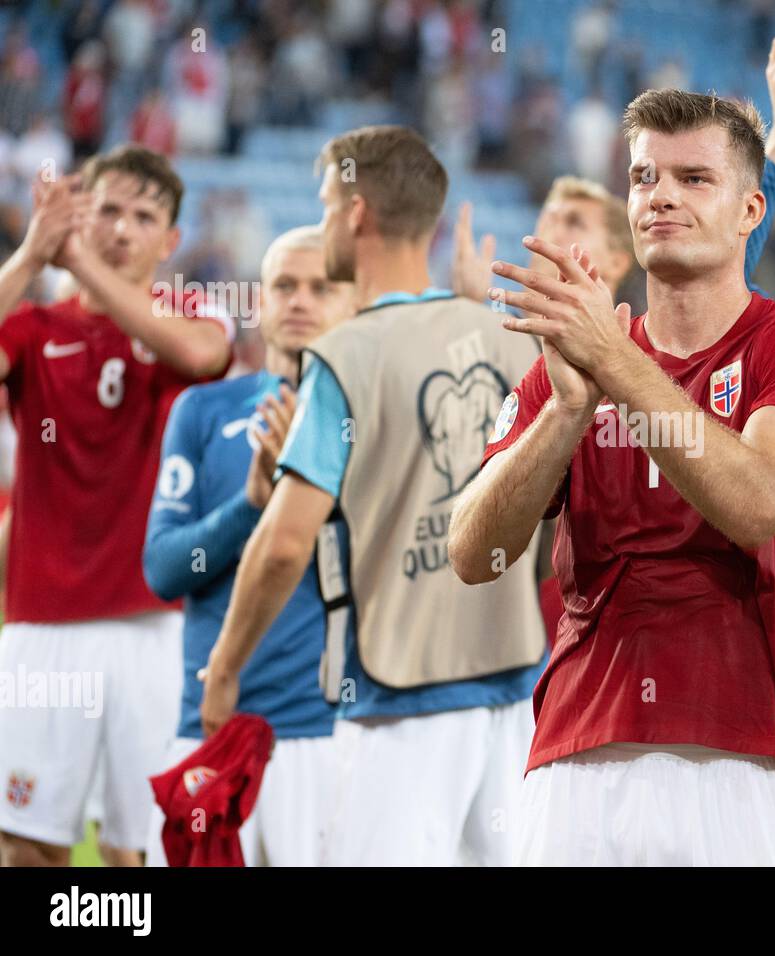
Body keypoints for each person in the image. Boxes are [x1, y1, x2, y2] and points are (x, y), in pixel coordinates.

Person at [448, 86, 775, 866]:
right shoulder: (571, 362)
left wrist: (613, 362)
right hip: (571, 759)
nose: (661, 195)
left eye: (694, 179)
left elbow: (759, 500)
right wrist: (564, 415)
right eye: (644, 178)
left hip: (740, 759)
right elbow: (473, 553)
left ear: (750, 210)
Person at [199, 126, 547, 866]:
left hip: (398, 701)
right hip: (515, 692)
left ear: (356, 212)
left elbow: (286, 541)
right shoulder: (510, 337)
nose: (324, 218)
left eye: (327, 203)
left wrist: (225, 667)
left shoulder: (345, 354)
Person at [0, 145, 232, 867]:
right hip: (42, 626)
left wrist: (78, 260)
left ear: (169, 242)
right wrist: (31, 255)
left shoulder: (194, 312)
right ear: (78, 215)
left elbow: (200, 357)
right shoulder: (34, 330)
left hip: (155, 629)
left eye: (144, 217)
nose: (122, 229)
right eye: (106, 210)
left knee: (147, 849)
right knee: (26, 845)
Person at [141, 226, 353, 865]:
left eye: (321, 286)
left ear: (350, 301)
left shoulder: (366, 414)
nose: (300, 300)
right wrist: (254, 506)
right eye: (284, 285)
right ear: (258, 302)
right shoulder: (203, 410)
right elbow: (164, 569)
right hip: (209, 723)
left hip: (328, 731)